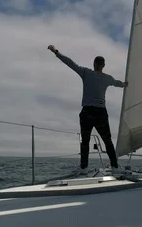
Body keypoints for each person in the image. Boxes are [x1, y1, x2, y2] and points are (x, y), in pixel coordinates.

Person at [47, 45, 128, 174]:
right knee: (107, 141)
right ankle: (115, 166)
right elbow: (119, 84)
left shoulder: (86, 72)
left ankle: (84, 168)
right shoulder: (107, 78)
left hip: (87, 113)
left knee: (85, 141)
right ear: (103, 65)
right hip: (101, 113)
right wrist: (126, 84)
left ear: (94, 64)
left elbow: (70, 63)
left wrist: (56, 52)